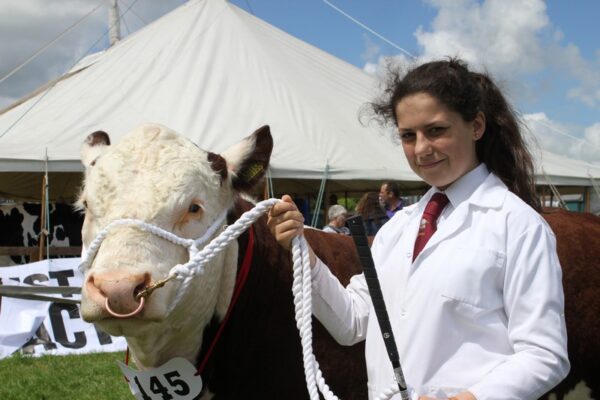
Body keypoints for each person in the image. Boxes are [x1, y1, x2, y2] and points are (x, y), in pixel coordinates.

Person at [267, 58, 569, 400]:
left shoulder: (518, 226)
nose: (422, 148)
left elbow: (545, 355)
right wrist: (300, 250)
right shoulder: (398, 228)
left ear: (477, 126)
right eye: (408, 136)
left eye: (436, 130)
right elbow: (351, 322)